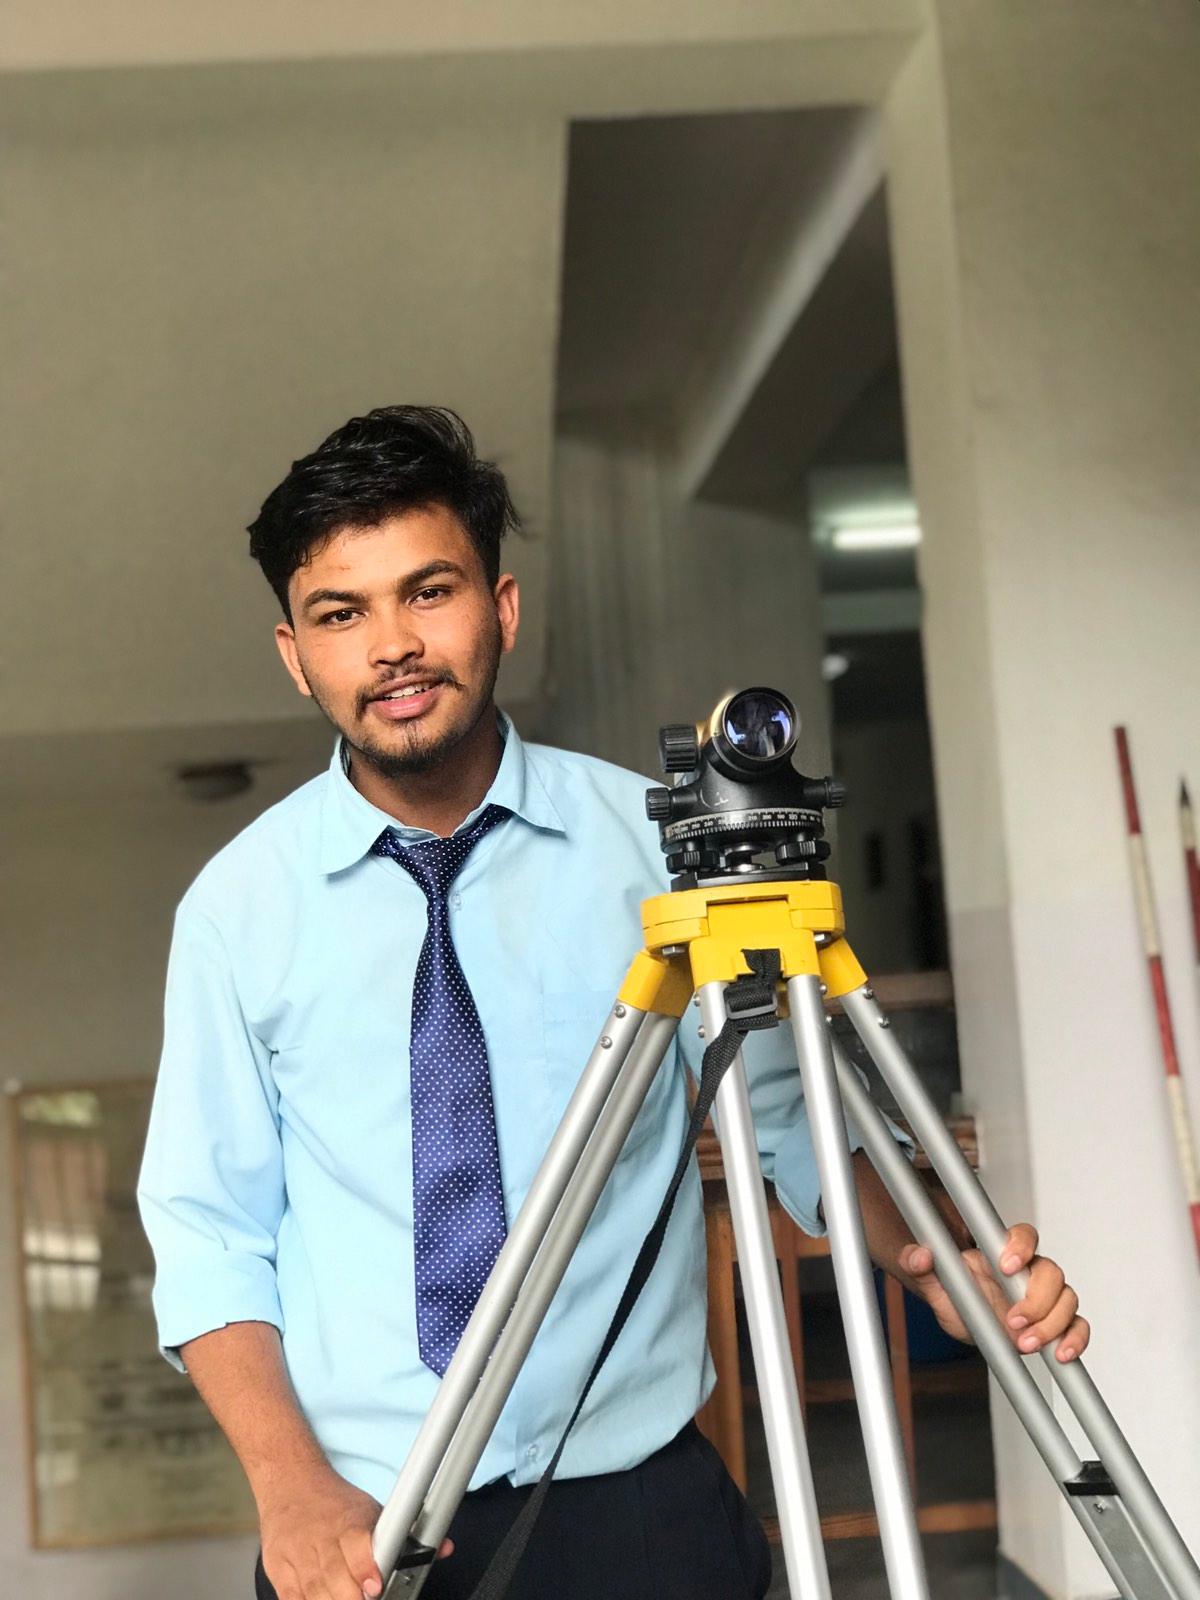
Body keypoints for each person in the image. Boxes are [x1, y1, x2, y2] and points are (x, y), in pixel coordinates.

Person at [137, 406, 1090, 1600]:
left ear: (503, 608)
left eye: (429, 592)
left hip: (643, 1507)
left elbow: (793, 1122)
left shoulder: (658, 853)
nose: (391, 645)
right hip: (360, 1527)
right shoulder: (238, 910)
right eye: (342, 613)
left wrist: (924, 1248)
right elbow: (211, 1231)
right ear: (295, 652)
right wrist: (289, 1489)